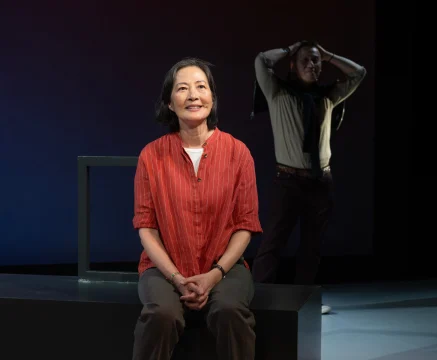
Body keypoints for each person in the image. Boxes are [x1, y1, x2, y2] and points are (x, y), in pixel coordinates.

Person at [131, 57, 262, 360]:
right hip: (163, 270)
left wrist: (214, 275)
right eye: (182, 89)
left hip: (225, 268)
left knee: (230, 311)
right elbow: (146, 228)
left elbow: (245, 225)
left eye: (201, 87)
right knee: (161, 315)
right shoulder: (151, 155)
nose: (193, 95)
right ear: (169, 103)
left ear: (212, 99)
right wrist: (177, 277)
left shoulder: (238, 152)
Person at [250, 40, 366, 315]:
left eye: (315, 61)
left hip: (321, 181)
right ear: (293, 65)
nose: (312, 65)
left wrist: (330, 55)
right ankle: (257, 299)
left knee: (312, 246)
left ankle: (305, 300)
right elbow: (261, 60)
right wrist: (291, 49)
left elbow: (358, 72)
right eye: (305, 60)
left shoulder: (328, 95)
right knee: (273, 243)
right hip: (288, 181)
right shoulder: (278, 92)